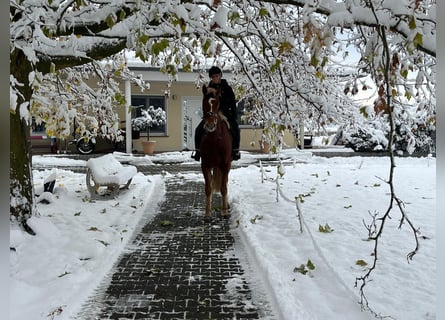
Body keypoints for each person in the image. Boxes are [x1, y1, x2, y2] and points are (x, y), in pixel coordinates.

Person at [191, 66, 241, 161]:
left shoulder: (228, 89)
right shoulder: (208, 90)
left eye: (217, 76)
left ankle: (235, 151)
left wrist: (233, 116)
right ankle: (198, 151)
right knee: (198, 130)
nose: (215, 78)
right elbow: (205, 103)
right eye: (213, 77)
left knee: (236, 129)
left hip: (225, 114)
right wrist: (206, 114)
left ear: (220, 76)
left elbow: (233, 103)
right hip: (211, 115)